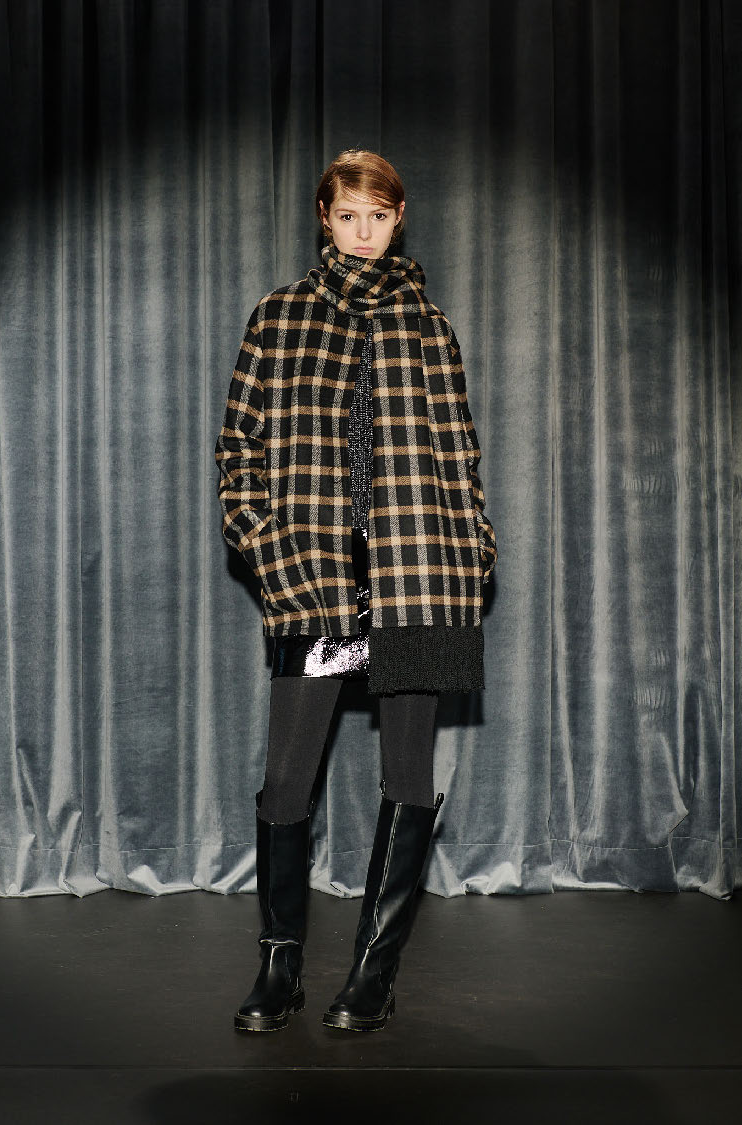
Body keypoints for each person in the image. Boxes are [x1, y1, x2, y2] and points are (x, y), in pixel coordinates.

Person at [215, 149, 497, 1033]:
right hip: (318, 584)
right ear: (324, 217)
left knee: (407, 774)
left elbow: (459, 454)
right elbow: (238, 450)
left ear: (398, 218)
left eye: (378, 216)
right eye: (348, 215)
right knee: (286, 780)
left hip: (421, 578)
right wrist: (267, 547)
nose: (363, 231)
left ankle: (373, 972)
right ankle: (279, 967)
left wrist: (475, 548)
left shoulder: (429, 326)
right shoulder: (279, 316)